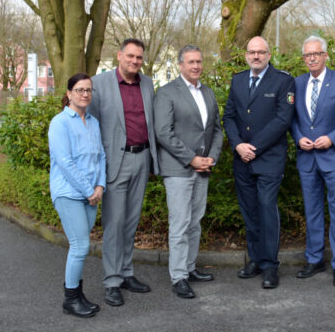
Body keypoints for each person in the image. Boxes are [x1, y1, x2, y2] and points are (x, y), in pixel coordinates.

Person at [87, 38, 159, 307]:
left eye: (139, 58)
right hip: (115, 162)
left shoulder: (148, 83)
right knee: (114, 224)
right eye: (130, 56)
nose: (134, 61)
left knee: (131, 221)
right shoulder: (100, 83)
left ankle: (127, 273)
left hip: (142, 159)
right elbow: (91, 127)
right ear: (119, 56)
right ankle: (112, 280)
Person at [223, 36, 295, 289]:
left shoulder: (284, 81)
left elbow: (282, 120)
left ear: (269, 55)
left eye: (261, 52)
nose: (256, 56)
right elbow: (229, 116)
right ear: (246, 55)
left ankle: (270, 266)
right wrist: (237, 144)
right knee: (249, 212)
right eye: (252, 52)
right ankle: (254, 259)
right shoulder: (238, 80)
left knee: (266, 209)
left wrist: (254, 147)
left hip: (269, 159)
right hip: (242, 159)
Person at [290, 36, 335, 288]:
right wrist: (298, 139)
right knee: (312, 211)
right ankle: (314, 258)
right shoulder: (296, 84)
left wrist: (332, 138)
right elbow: (293, 120)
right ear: (303, 58)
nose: (312, 58)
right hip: (307, 158)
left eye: (316, 54)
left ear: (326, 55)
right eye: (307, 55)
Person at [154, 45, 223, 299]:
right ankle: (178, 276)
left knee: (195, 221)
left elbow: (216, 129)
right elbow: (163, 133)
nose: (196, 66)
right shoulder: (167, 93)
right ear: (181, 64)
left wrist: (211, 157)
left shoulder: (207, 92)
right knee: (180, 223)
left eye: (199, 61)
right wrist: (192, 159)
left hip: (203, 167)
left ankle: (190, 267)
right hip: (179, 169)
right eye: (191, 62)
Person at [48, 73, 106, 318]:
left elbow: (101, 155)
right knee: (80, 245)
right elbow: (65, 162)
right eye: (80, 90)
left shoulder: (93, 122)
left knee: (80, 246)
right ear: (69, 93)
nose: (85, 94)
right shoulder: (60, 123)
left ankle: (77, 293)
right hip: (69, 193)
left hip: (92, 194)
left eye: (89, 90)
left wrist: (100, 186)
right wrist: (88, 190)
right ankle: (70, 299)